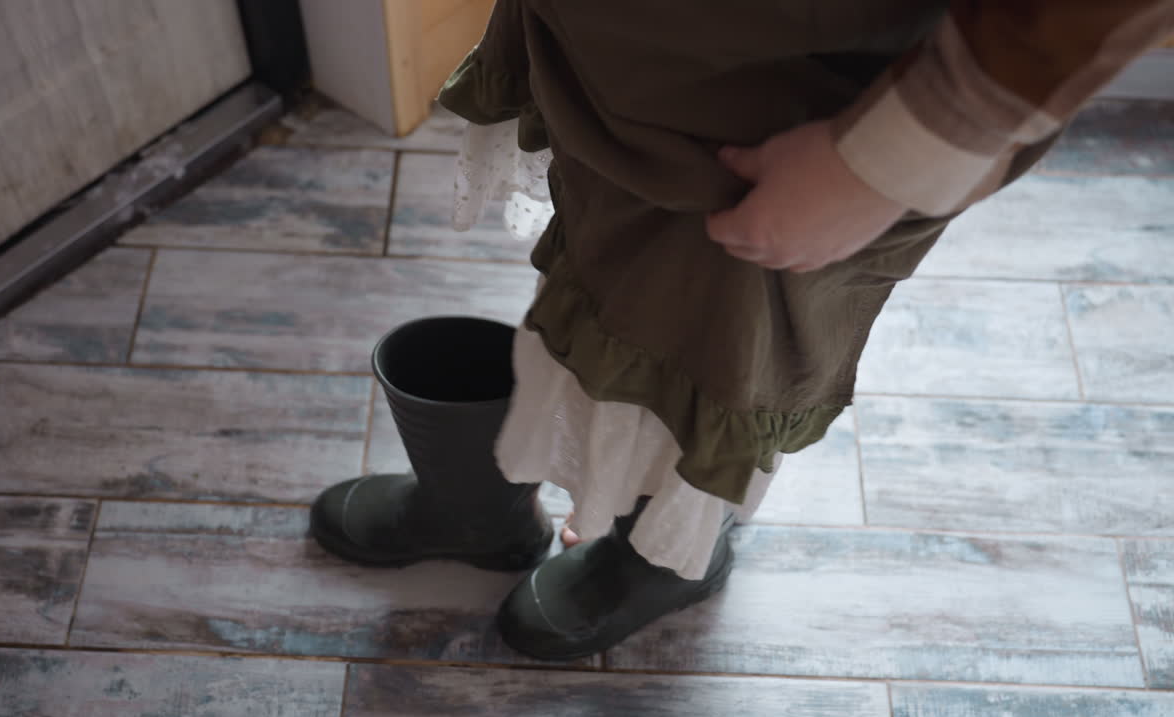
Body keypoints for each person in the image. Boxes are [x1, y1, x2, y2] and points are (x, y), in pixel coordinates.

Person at [311, 0, 1174, 661]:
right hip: (603, 59)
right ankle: (483, 511)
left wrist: (888, 159)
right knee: (598, 277)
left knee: (718, 343)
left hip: (796, 103)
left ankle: (664, 556)